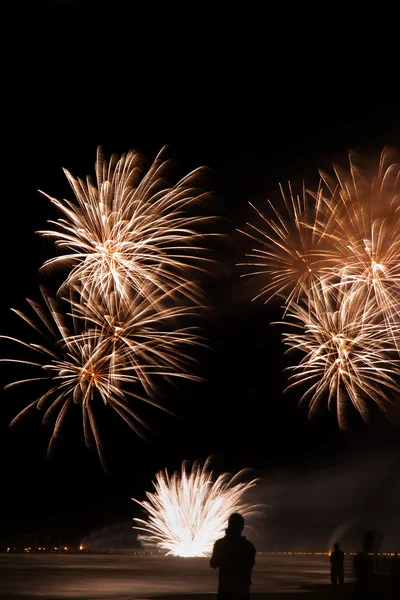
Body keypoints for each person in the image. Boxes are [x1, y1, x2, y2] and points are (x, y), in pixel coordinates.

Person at [210, 512, 256, 600]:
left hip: (225, 589)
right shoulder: (248, 546)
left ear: (229, 525)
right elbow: (250, 565)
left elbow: (213, 564)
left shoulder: (220, 544)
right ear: (242, 527)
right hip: (242, 590)